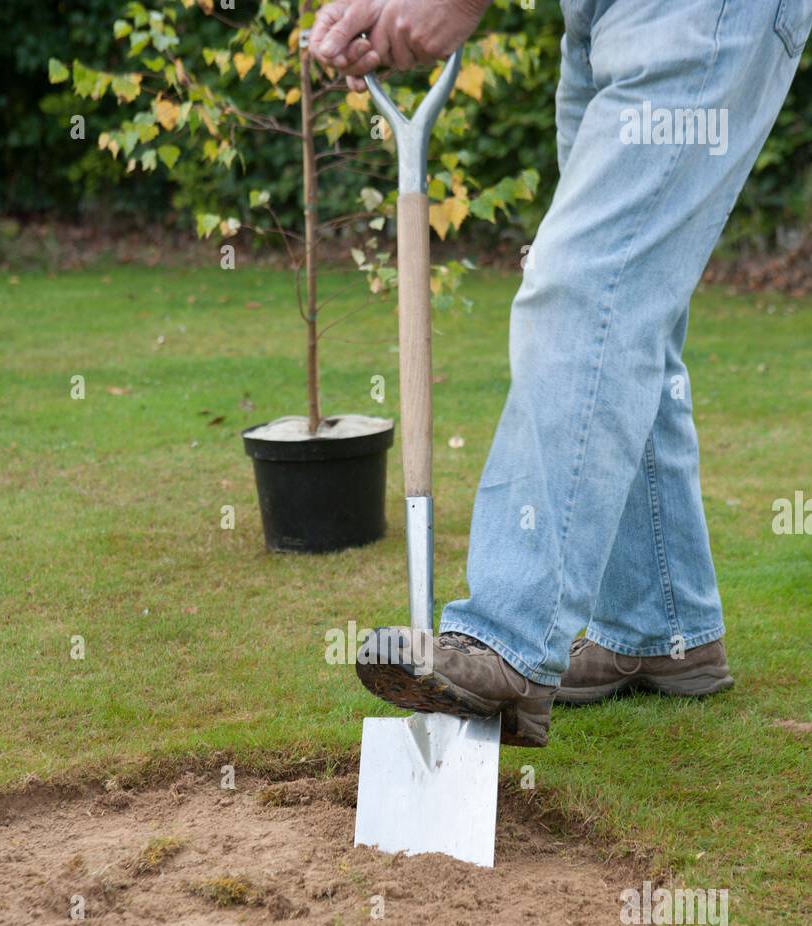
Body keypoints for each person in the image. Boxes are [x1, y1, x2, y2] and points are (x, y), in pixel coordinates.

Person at [310, 0, 811, 747]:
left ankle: (508, 641)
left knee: (585, 288)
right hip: (603, 16)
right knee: (630, 307)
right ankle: (660, 630)